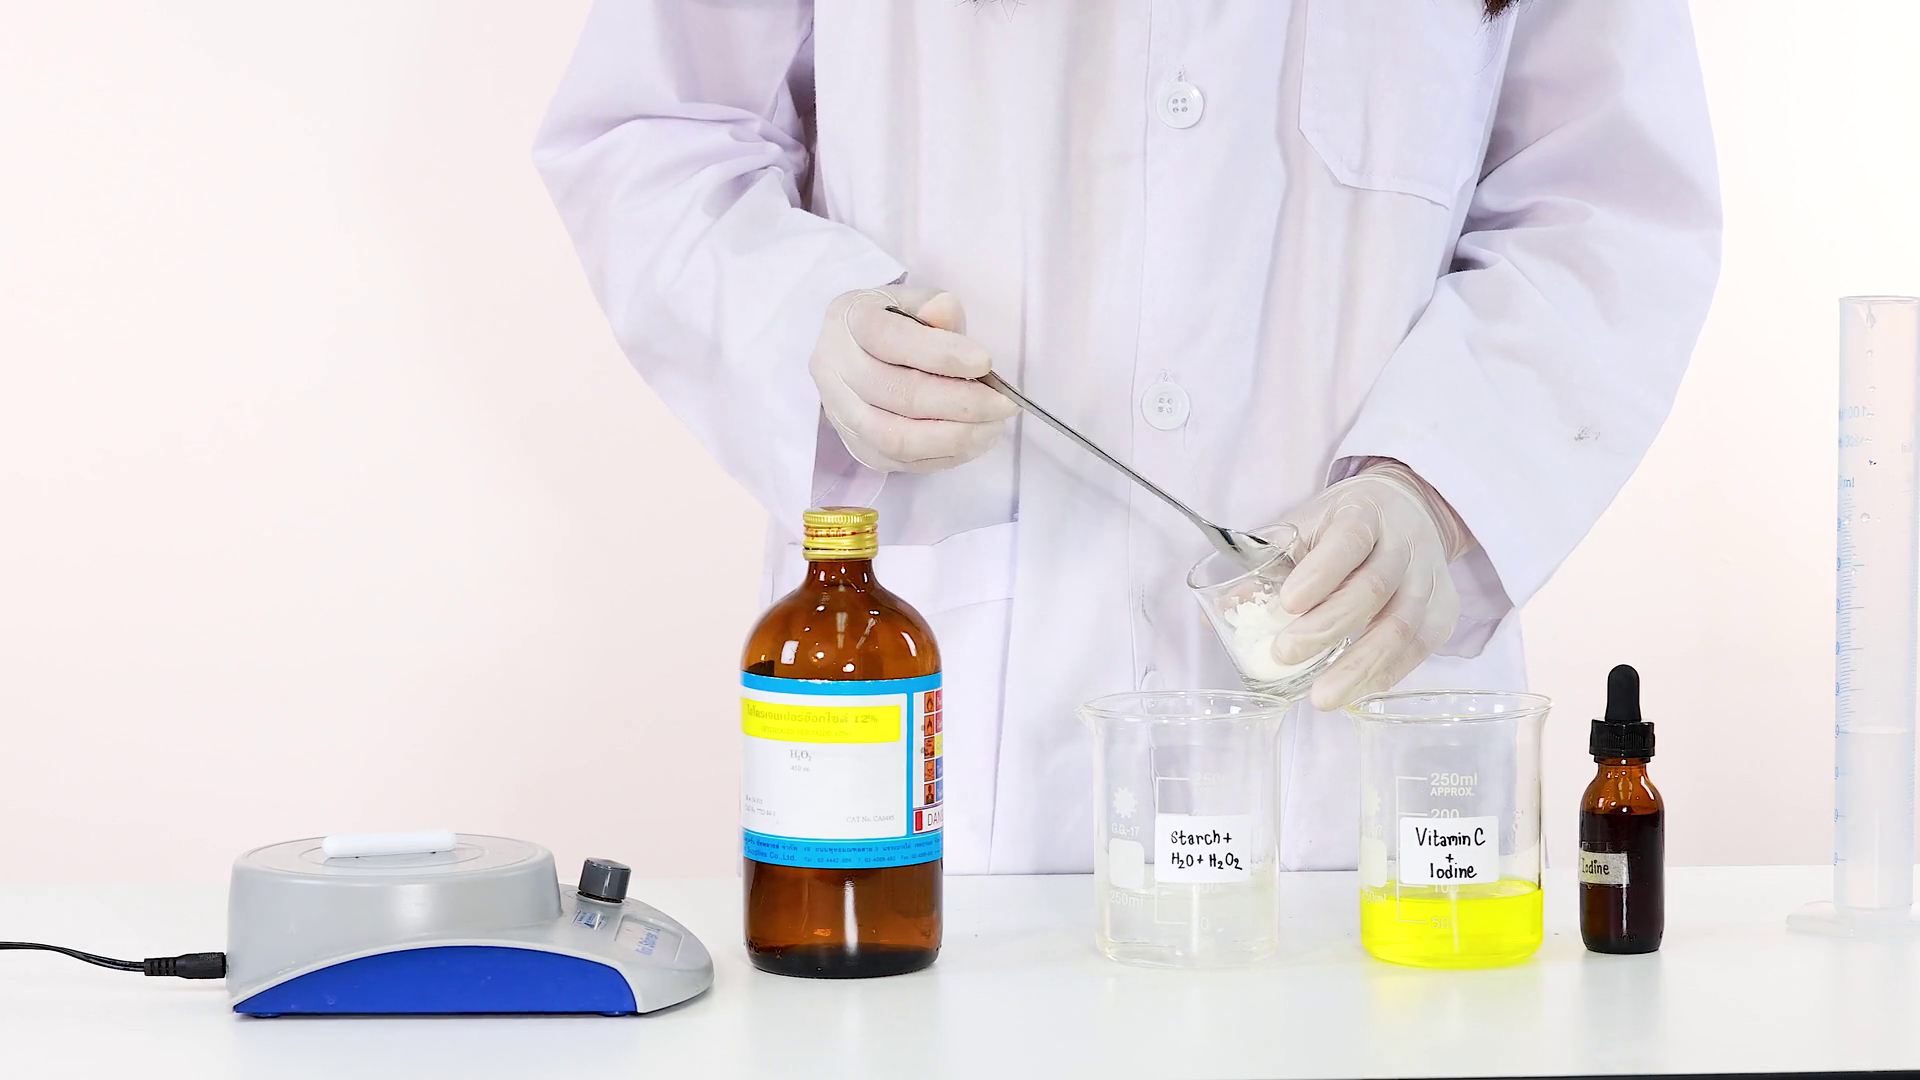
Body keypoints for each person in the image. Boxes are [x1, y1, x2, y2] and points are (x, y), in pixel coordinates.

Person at [534, 0, 1721, 875]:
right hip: (979, 763)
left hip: (1360, 764)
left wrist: (1435, 488)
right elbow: (655, 128)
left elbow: (1607, 206)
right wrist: (803, 319)